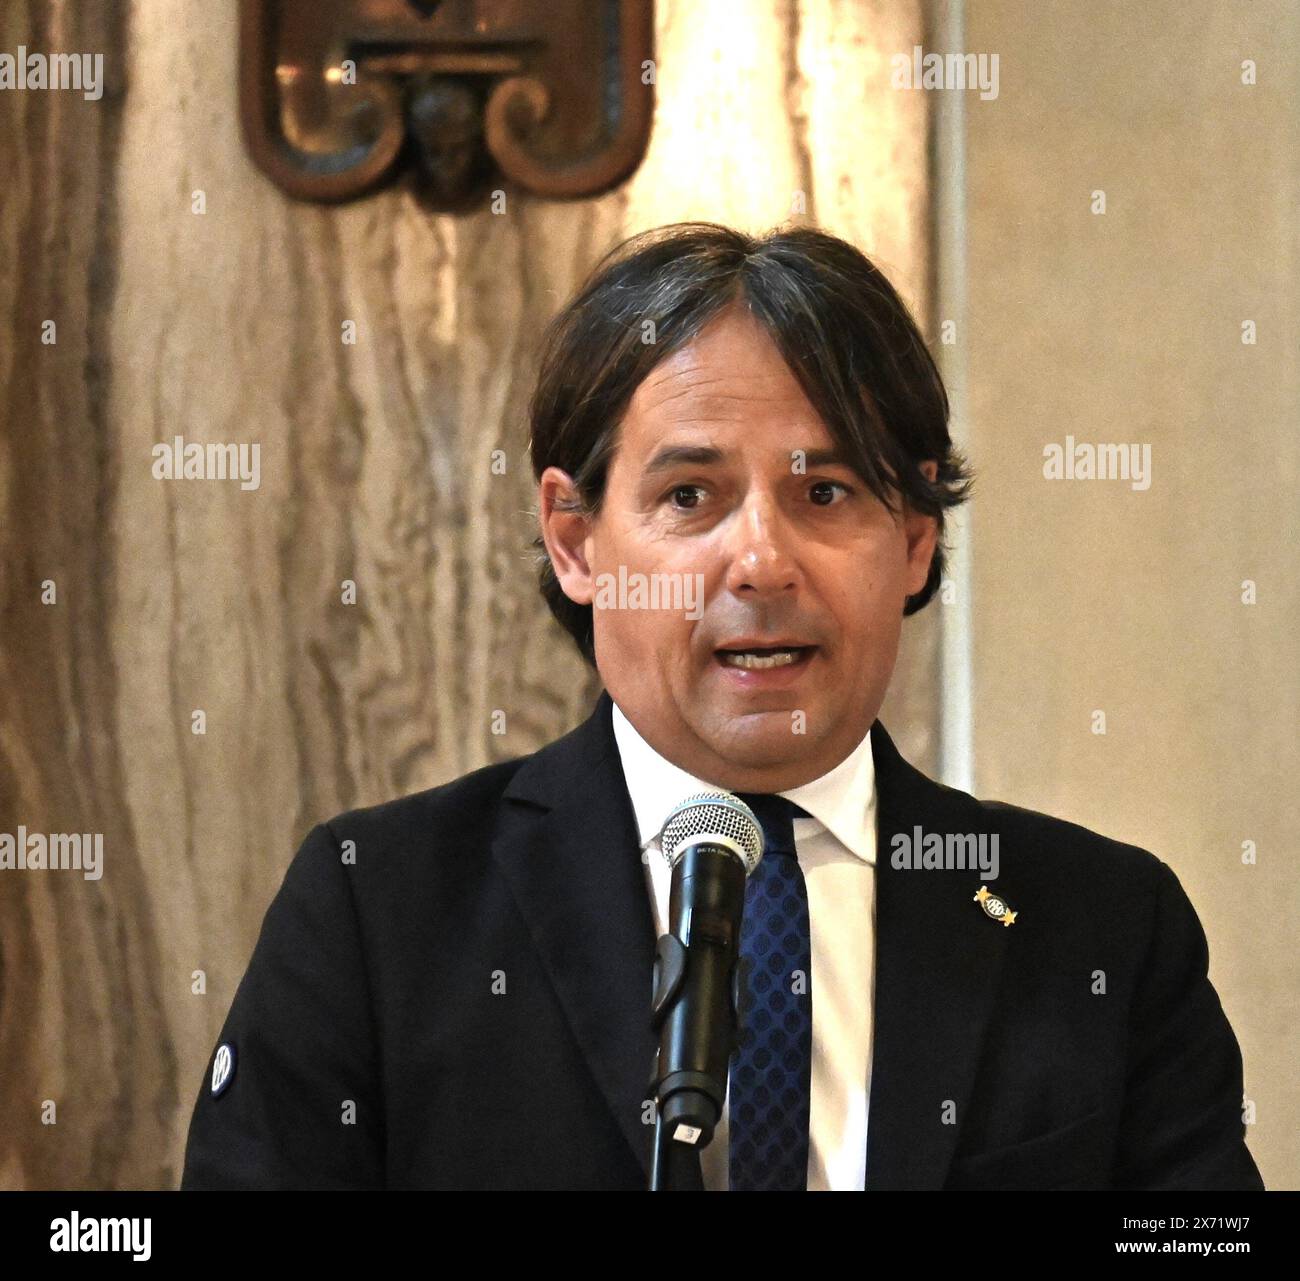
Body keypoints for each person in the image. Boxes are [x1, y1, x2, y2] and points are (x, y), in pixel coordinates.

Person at [181, 222, 1263, 1190]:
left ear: (917, 539)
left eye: (824, 494)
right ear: (575, 539)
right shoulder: (380, 916)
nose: (759, 561)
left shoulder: (1104, 929)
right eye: (689, 496)